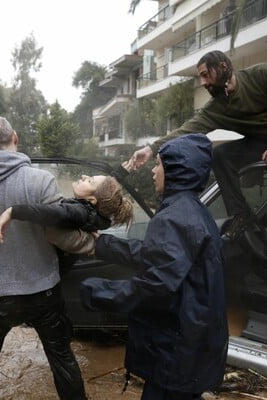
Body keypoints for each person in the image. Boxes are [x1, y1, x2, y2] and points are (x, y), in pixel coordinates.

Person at [124, 50, 267, 239]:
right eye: (200, 77)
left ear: (222, 66)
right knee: (220, 156)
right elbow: (187, 129)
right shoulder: (217, 107)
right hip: (259, 141)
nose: (203, 83)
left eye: (205, 75)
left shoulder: (261, 73)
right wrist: (150, 149)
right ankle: (242, 220)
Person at [0, 115, 89, 400]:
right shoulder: (41, 180)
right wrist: (97, 242)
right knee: (62, 359)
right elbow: (60, 237)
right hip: (43, 294)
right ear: (16, 138)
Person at [81, 133, 228, 399]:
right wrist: (103, 244)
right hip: (193, 342)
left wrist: (98, 291)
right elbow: (158, 256)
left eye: (158, 164)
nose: (153, 171)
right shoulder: (191, 209)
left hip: (177, 349)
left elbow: (156, 285)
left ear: (176, 170)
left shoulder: (174, 217)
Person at [0, 174, 134, 244]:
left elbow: (53, 213)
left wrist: (13, 211)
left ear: (92, 199)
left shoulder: (80, 212)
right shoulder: (92, 214)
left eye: (90, 181)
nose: (84, 176)